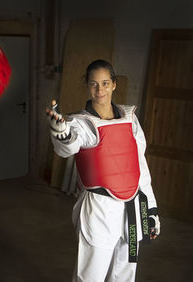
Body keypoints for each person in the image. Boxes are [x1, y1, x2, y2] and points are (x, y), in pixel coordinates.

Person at [46, 59, 160, 282]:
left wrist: (151, 210)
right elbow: (67, 147)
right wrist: (60, 132)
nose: (100, 90)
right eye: (94, 84)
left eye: (105, 83)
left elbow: (140, 166)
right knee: (91, 275)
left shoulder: (130, 119)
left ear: (114, 84)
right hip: (99, 209)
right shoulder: (81, 123)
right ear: (87, 86)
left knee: (126, 274)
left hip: (133, 208)